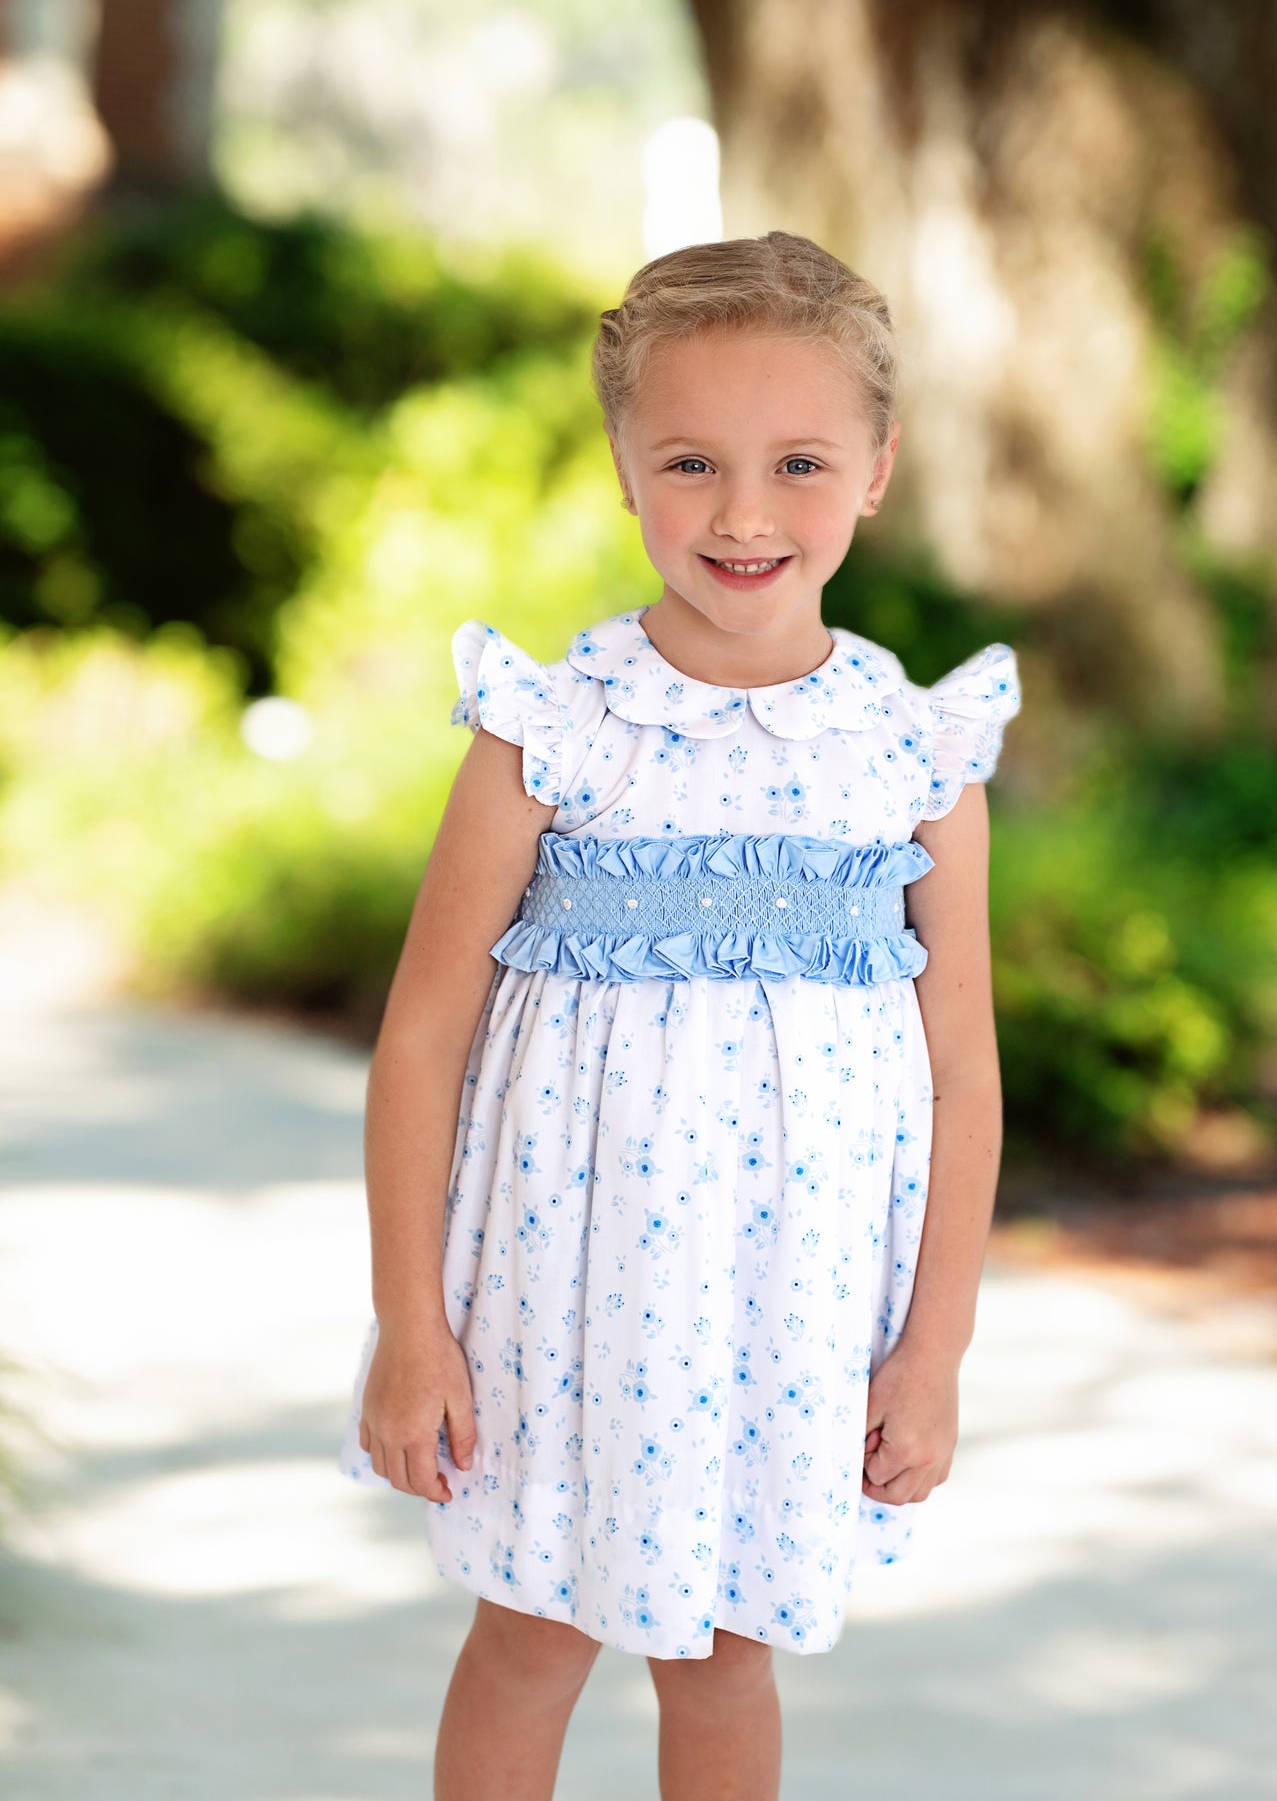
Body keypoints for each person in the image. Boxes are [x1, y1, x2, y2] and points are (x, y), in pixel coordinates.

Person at [336, 229, 1022, 1801]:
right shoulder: (552, 732)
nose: (742, 513)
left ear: (875, 471)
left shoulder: (915, 759)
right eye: (692, 461)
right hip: (557, 1291)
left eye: (796, 462)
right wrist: (410, 1327)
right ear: (624, 466)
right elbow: (421, 1039)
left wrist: (934, 1351)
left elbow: (963, 1070)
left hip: (792, 1303)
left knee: (725, 1652)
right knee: (529, 1631)